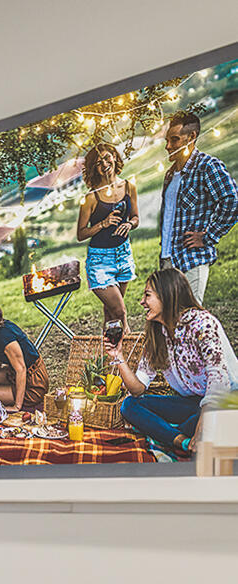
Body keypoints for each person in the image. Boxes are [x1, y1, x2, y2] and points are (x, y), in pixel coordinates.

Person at [116, 266, 235, 460]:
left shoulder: (202, 324)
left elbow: (219, 383)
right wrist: (117, 355)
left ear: (167, 295)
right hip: (192, 404)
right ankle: (183, 441)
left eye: (148, 295)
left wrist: (201, 427)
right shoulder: (158, 334)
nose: (142, 302)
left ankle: (170, 435)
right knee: (130, 405)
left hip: (225, 402)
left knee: (199, 421)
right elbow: (138, 389)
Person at [155, 110, 237, 310]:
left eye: (175, 140)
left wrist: (208, 237)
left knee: (191, 321)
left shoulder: (208, 166)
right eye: (167, 140)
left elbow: (232, 201)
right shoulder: (170, 174)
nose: (168, 146)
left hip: (192, 258)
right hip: (167, 261)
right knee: (169, 323)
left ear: (192, 137)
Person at [74, 140, 139, 341]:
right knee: (120, 311)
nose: (104, 164)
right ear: (94, 167)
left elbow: (136, 217)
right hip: (100, 260)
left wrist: (130, 224)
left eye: (107, 157)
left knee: (110, 313)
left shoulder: (129, 186)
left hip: (123, 254)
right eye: (98, 162)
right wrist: (103, 224)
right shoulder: (91, 198)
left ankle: (109, 356)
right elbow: (81, 234)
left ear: (114, 156)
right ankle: (128, 343)